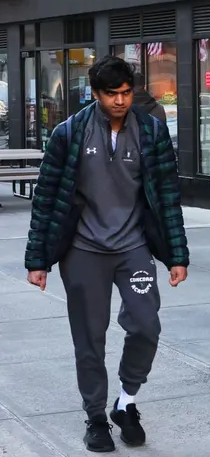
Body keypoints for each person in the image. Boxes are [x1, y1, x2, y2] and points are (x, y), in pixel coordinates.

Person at [23, 55, 188, 453]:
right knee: (89, 339)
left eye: (127, 93)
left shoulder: (151, 131)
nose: (120, 101)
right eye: (112, 94)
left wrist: (177, 255)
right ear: (95, 94)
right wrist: (37, 260)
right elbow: (46, 199)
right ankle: (95, 416)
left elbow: (167, 195)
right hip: (83, 250)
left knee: (146, 325)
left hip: (133, 248)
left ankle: (126, 402)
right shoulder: (69, 134)